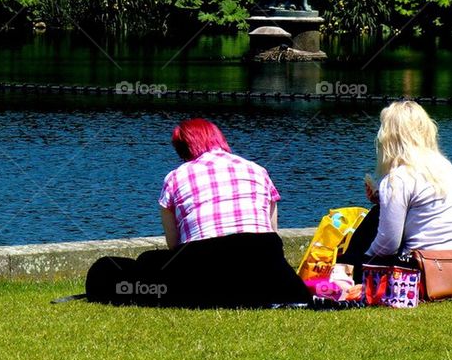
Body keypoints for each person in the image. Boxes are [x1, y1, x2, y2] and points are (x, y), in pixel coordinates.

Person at [85, 118, 310, 308]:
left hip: (203, 265)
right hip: (263, 261)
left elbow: (174, 244)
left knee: (122, 267)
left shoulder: (176, 177)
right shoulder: (258, 170)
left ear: (184, 149)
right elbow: (272, 232)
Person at [339, 101, 452, 283]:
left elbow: (387, 245)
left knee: (373, 221)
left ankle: (344, 271)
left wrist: (362, 260)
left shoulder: (397, 179)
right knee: (379, 211)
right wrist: (383, 200)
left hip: (428, 271)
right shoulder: (444, 167)